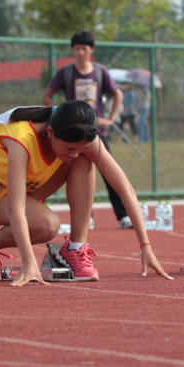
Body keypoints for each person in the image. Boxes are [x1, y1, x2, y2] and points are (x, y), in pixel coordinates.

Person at [0, 101, 171, 283]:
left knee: (84, 162)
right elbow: (17, 208)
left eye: (81, 147)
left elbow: (125, 188)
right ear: (50, 133)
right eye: (70, 148)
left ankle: (75, 248)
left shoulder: (80, 134)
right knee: (46, 225)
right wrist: (29, 262)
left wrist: (146, 245)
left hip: (27, 183)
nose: (75, 153)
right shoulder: (21, 139)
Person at [42, 31, 132, 229]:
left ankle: (123, 215)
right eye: (77, 48)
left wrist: (109, 118)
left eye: (84, 48)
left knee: (110, 174)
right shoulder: (66, 73)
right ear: (73, 50)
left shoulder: (99, 72)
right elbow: (47, 95)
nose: (80, 52)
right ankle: (86, 218)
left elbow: (117, 94)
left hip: (96, 132)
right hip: (71, 134)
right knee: (77, 174)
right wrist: (59, 114)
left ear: (91, 50)